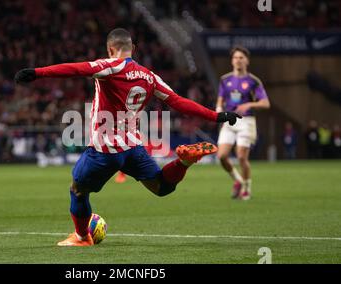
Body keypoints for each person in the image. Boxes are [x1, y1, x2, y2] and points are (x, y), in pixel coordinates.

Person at [15, 28, 241, 246]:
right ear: (132, 47)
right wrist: (216, 116)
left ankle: (82, 237)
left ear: (110, 49)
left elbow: (76, 69)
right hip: (133, 148)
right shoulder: (150, 76)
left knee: (77, 189)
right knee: (161, 187)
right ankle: (182, 162)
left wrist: (37, 73)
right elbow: (178, 101)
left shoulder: (110, 66)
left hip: (105, 150)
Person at [215, 45, 270, 200]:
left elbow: (266, 103)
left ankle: (246, 188)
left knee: (241, 157)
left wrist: (249, 104)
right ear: (232, 61)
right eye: (235, 58)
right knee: (221, 156)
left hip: (246, 121)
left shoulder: (253, 81)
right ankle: (238, 180)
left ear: (247, 61)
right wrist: (219, 110)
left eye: (241, 57)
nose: (238, 60)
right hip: (229, 120)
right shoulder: (225, 80)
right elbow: (220, 100)